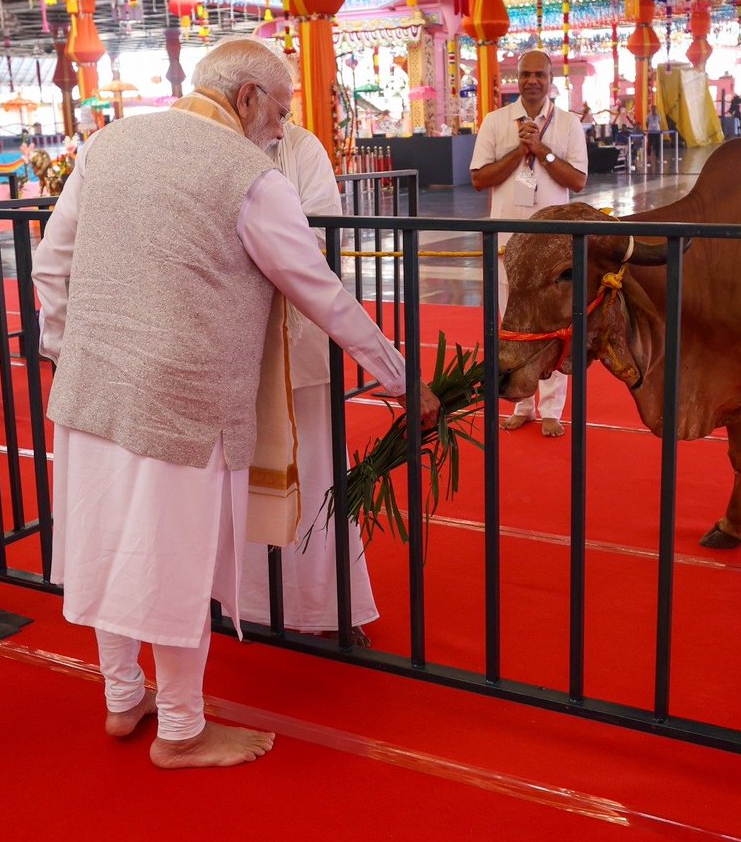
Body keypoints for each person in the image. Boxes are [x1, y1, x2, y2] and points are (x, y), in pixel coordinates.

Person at [32, 38, 440, 770]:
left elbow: (49, 261)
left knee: (108, 542)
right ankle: (181, 727)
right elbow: (321, 291)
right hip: (185, 405)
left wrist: (67, 350)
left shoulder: (108, 142)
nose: (283, 130)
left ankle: (123, 695)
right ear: (247, 97)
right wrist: (401, 376)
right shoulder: (250, 176)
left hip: (90, 389)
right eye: (281, 112)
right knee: (172, 558)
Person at [236, 121, 377, 647]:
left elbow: (316, 238)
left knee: (315, 468)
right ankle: (238, 597)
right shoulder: (207, 139)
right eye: (275, 103)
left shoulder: (301, 147)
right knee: (227, 478)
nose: (280, 117)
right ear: (247, 96)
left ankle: (326, 604)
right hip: (225, 344)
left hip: (296, 330)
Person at [470, 49, 588, 437]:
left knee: (555, 326)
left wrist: (541, 150)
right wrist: (519, 151)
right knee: (512, 325)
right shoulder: (496, 121)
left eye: (540, 74)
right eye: (525, 74)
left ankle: (553, 408)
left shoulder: (569, 124)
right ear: (515, 78)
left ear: (552, 78)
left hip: (553, 251)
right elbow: (479, 178)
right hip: (507, 243)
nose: (532, 80)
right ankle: (521, 402)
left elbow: (577, 181)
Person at [645, 103, 662, 170]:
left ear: (656, 109)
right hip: (651, 131)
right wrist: (650, 128)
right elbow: (646, 123)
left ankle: (657, 155)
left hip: (657, 131)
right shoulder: (648, 116)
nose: (654, 110)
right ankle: (648, 155)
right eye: (652, 109)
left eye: (655, 109)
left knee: (658, 143)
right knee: (650, 143)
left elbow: (659, 123)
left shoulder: (658, 116)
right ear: (651, 109)